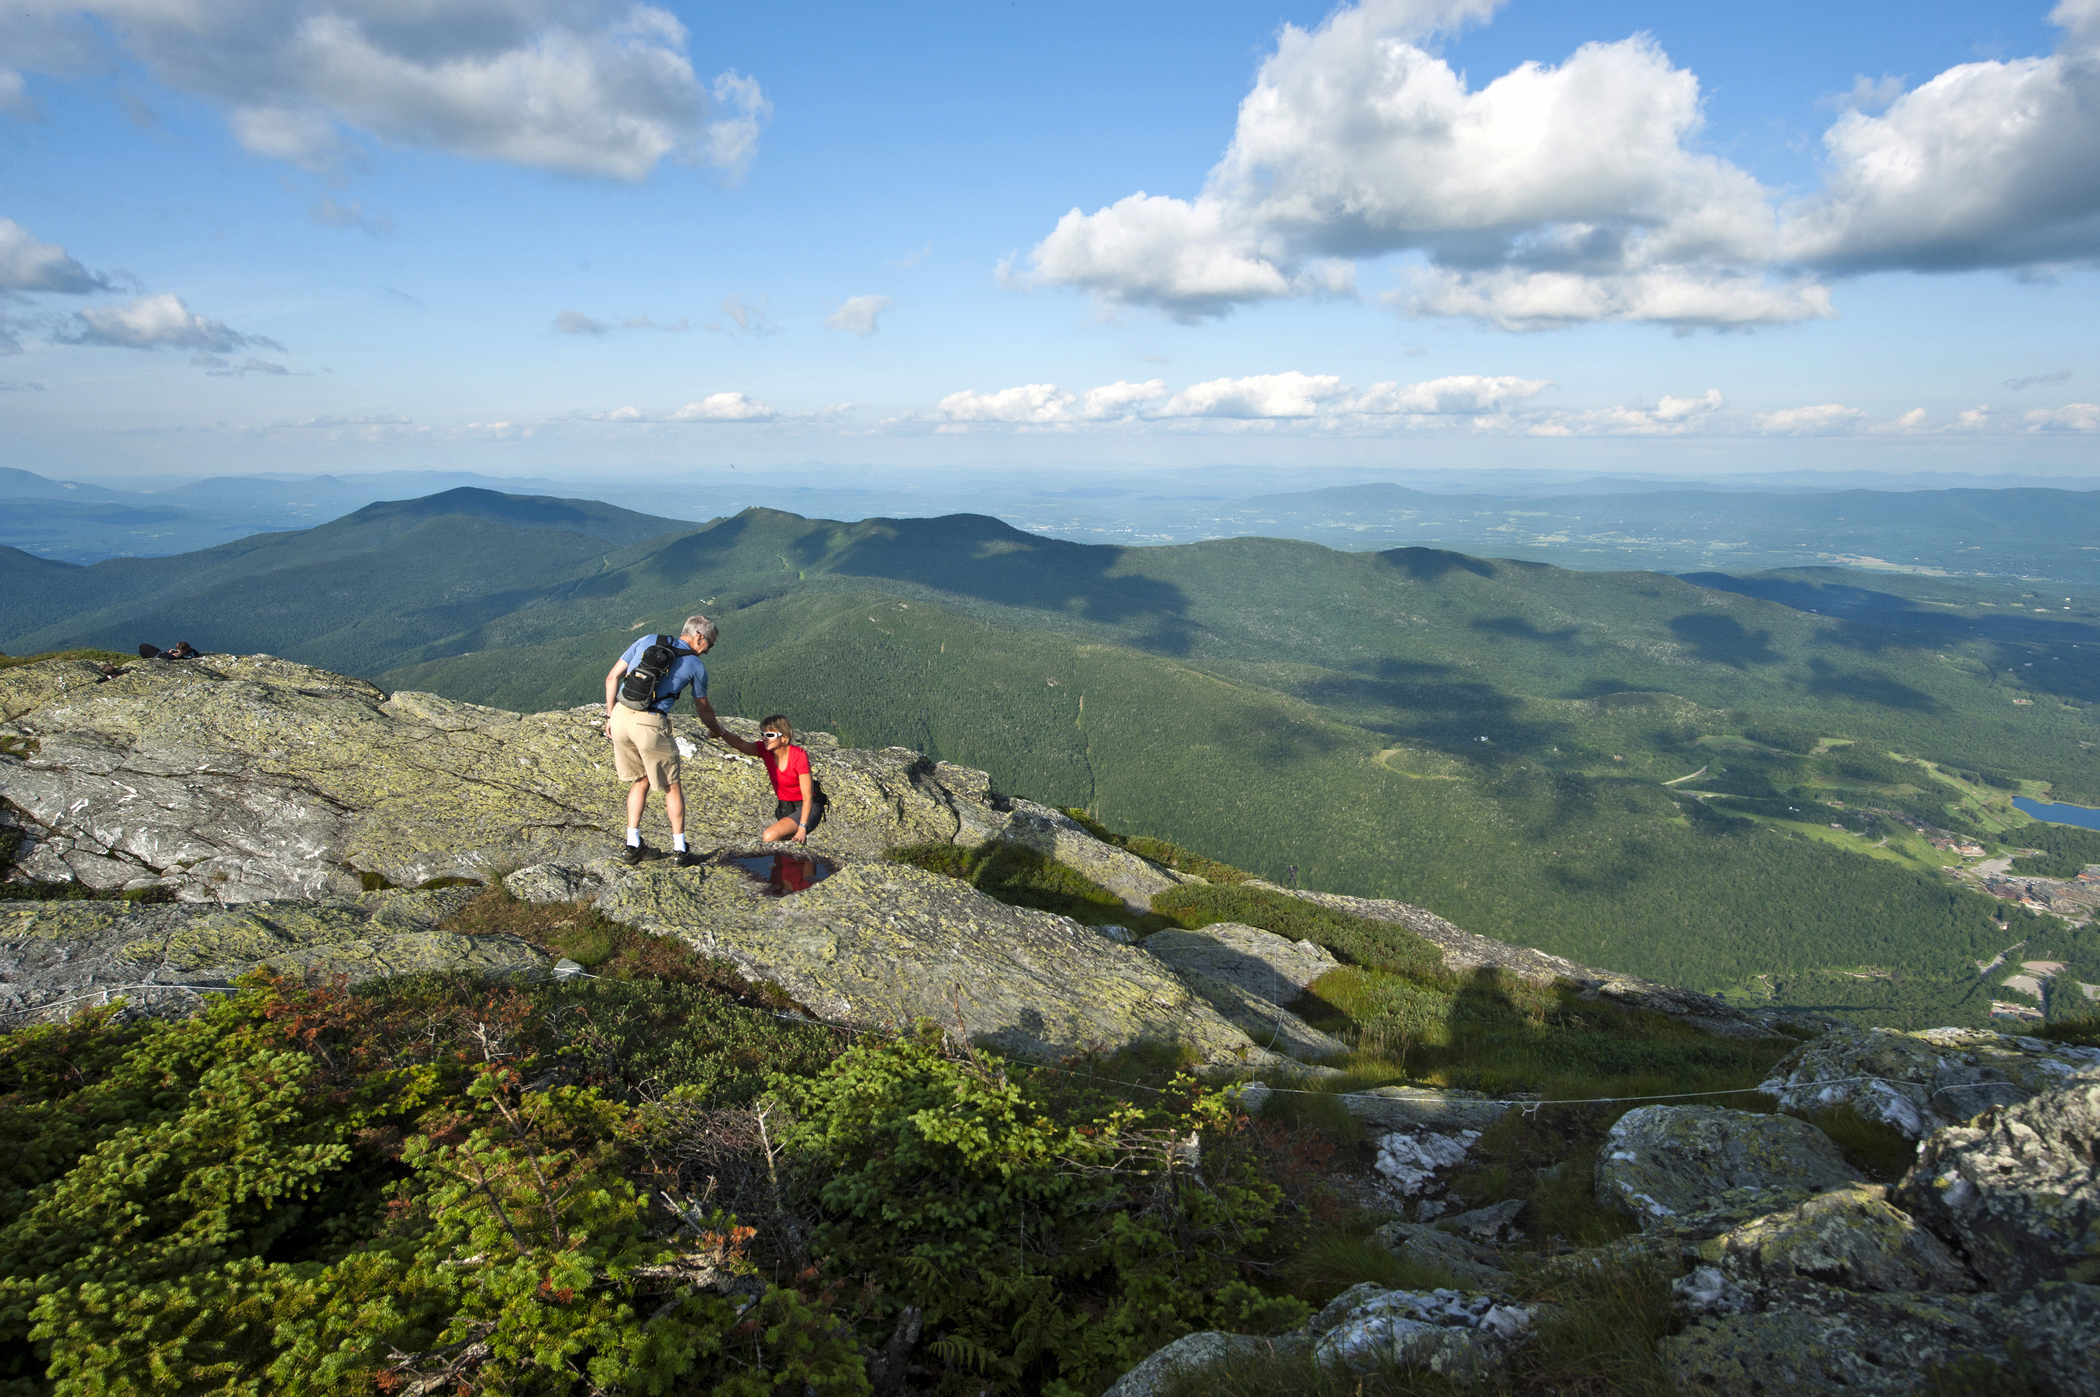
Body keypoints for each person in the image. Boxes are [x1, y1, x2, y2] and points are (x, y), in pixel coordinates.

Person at [602, 614, 729, 866]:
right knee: (672, 785)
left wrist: (610, 715)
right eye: (710, 645)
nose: (709, 651)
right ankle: (680, 851)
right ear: (698, 637)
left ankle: (632, 845)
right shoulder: (696, 666)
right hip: (649, 723)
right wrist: (717, 730)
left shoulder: (647, 639)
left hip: (619, 717)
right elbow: (703, 709)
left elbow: (611, 678)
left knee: (640, 781)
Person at [715, 714, 819, 843]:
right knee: (787, 846)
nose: (765, 738)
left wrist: (802, 828)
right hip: (785, 807)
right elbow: (740, 744)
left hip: (806, 808)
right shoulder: (765, 751)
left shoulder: (798, 756)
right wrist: (722, 732)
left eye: (770, 735)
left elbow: (808, 796)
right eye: (763, 734)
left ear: (784, 738)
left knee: (770, 836)